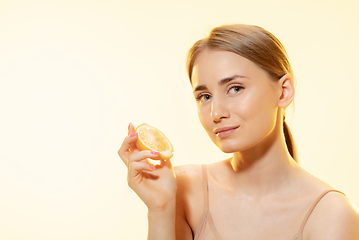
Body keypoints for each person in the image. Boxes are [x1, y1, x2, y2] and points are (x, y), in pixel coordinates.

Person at [118, 24, 359, 240]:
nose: (216, 112)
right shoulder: (183, 188)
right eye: (204, 96)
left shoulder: (330, 214)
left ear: (283, 92)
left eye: (235, 88)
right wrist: (160, 210)